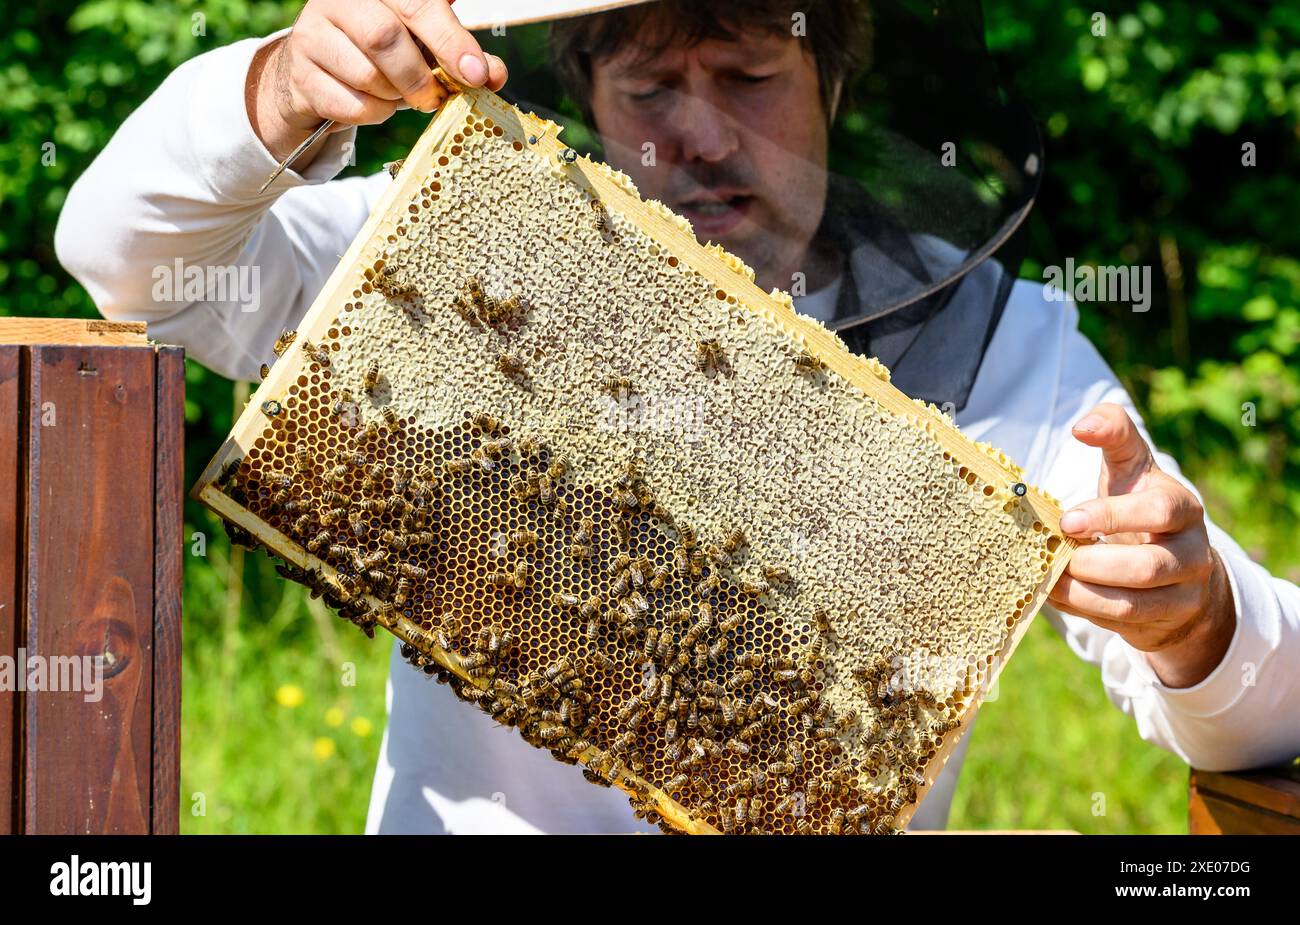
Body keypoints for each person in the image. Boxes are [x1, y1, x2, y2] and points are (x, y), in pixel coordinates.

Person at [55, 0, 1300, 834]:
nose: (700, 134)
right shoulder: (444, 251)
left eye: (750, 75)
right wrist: (279, 86)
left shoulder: (1008, 343)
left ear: (832, 75)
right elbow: (121, 255)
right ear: (587, 93)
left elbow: (1273, 712)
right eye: (652, 85)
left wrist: (1195, 616)